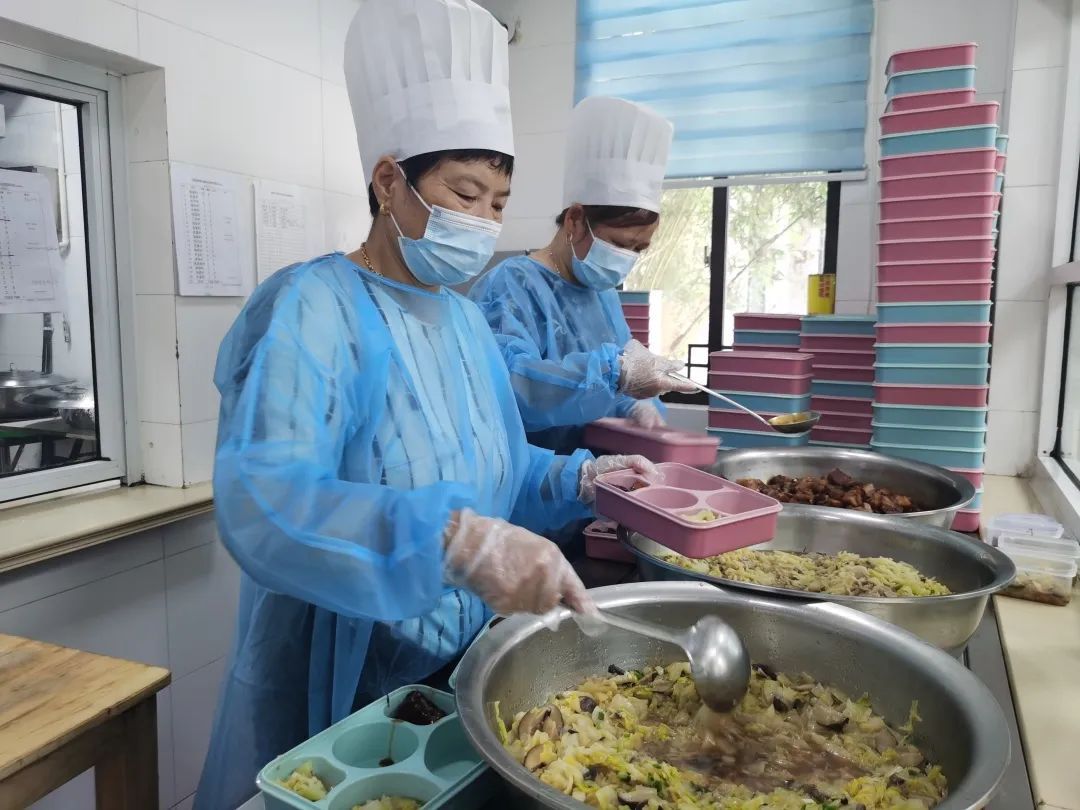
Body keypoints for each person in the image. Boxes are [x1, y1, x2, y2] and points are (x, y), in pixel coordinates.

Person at [193, 4, 653, 808]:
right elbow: (265, 499)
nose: (482, 221)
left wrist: (579, 479)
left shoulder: (464, 321)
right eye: (464, 193)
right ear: (388, 182)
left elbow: (496, 468)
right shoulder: (314, 307)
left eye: (498, 202)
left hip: (455, 661)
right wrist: (448, 540)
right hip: (340, 671)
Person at [469, 96, 696, 457]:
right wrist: (614, 374)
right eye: (619, 243)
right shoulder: (511, 287)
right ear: (575, 220)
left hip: (597, 479)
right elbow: (513, 388)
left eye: (638, 249)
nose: (626, 259)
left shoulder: (602, 293)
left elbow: (616, 379)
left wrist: (636, 404)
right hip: (531, 479)